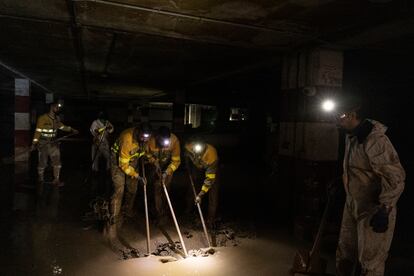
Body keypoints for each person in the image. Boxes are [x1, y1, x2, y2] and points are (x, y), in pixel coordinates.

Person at [335, 97, 405, 276]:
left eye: (340, 115)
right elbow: (356, 168)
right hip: (353, 203)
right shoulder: (352, 137)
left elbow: (395, 177)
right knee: (346, 253)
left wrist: (385, 208)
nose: (337, 119)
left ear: (352, 115)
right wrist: (342, 181)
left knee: (370, 259)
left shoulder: (374, 140)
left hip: (374, 208)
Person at [106, 124, 151, 240]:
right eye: (143, 137)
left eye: (147, 138)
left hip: (133, 161)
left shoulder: (145, 139)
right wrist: (137, 176)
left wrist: (150, 159)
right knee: (119, 188)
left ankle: (126, 211)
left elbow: (145, 152)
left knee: (132, 189)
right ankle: (114, 217)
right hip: (118, 161)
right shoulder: (127, 139)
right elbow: (124, 166)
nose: (146, 140)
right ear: (138, 133)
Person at [31, 102, 78, 187]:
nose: (58, 109)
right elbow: (37, 132)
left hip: (53, 143)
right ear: (51, 107)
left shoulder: (57, 118)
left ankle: (56, 180)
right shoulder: (42, 118)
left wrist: (71, 129)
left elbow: (62, 127)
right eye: (56, 107)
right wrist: (34, 144)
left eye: (58, 107)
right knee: (43, 162)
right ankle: (40, 179)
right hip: (43, 144)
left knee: (57, 162)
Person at [146, 126, 181, 224]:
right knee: (156, 187)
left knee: (165, 187)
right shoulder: (150, 140)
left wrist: (167, 172)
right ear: (157, 137)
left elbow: (176, 161)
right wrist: (154, 162)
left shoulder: (174, 141)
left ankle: (165, 210)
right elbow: (147, 154)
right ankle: (158, 213)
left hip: (168, 167)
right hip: (155, 165)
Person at [184, 136, 219, 228]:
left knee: (213, 192)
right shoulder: (189, 146)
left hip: (211, 170)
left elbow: (209, 180)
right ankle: (189, 210)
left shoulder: (211, 155)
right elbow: (186, 154)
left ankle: (210, 219)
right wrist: (187, 165)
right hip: (198, 168)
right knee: (192, 187)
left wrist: (201, 194)